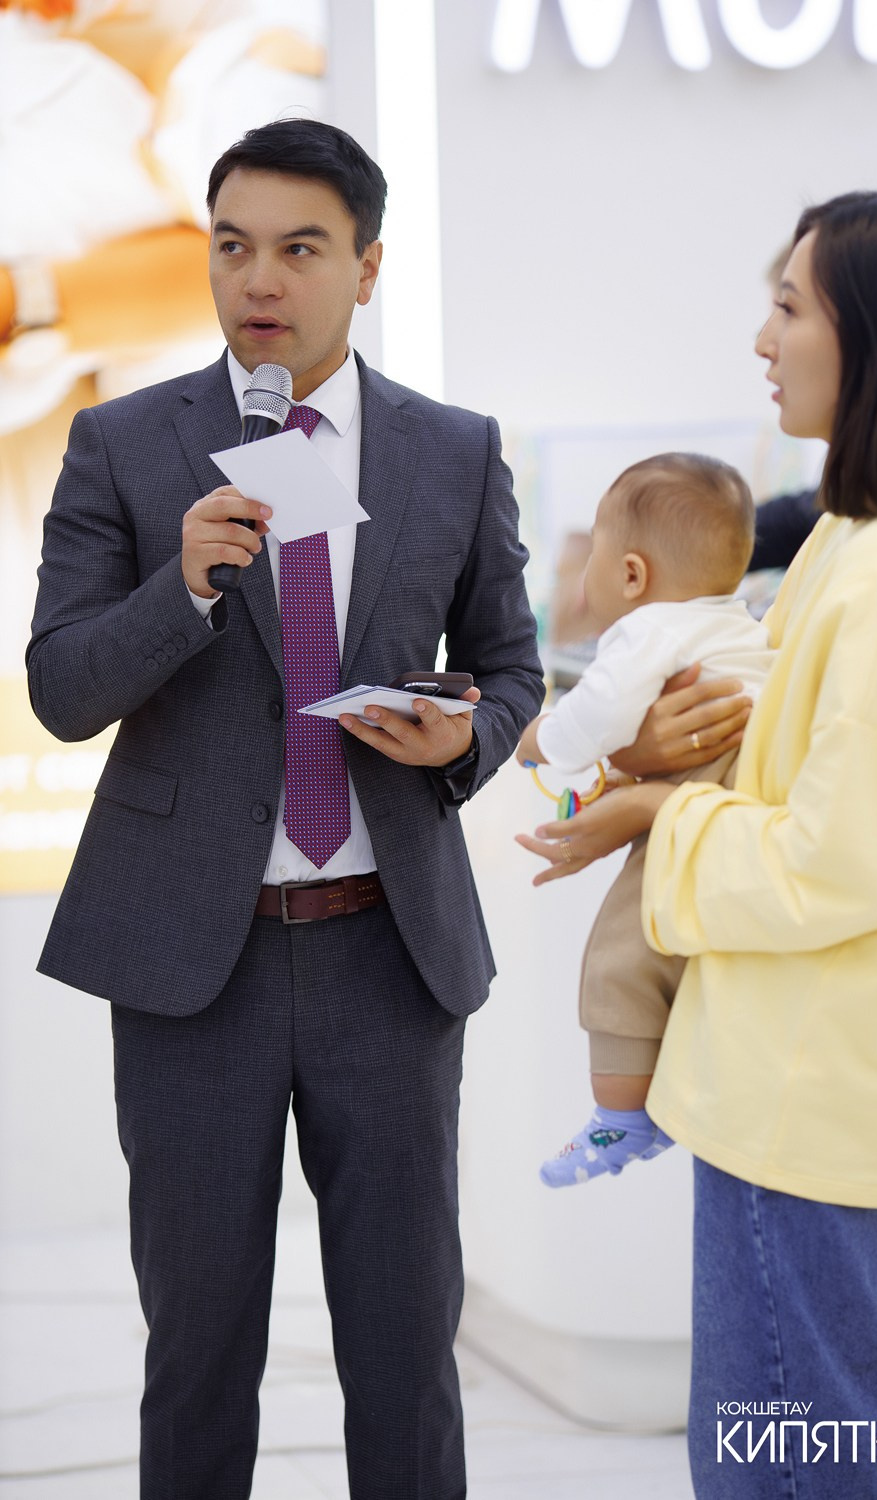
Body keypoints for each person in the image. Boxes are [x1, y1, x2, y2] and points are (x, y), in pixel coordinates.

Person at [26, 117, 547, 1500]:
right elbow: (62, 690)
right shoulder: (126, 447)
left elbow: (510, 666)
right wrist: (180, 588)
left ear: (366, 268)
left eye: (300, 248)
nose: (260, 278)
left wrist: (463, 736)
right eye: (234, 245)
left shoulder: (450, 449)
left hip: (392, 956)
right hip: (196, 970)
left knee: (403, 1355)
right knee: (196, 1354)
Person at [519, 190, 877, 1498]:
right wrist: (669, 763)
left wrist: (651, 815)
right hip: (814, 1083)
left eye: (790, 308)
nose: (762, 340)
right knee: (825, 1427)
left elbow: (835, 864)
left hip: (806, 1094)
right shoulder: (874, 540)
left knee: (795, 1457)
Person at [516, 452, 774, 1186]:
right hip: (737, 787)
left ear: (631, 574)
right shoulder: (737, 622)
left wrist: (537, 744)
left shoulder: (645, 631)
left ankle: (620, 1118)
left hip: (697, 785)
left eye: (591, 552)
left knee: (619, 948)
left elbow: (596, 714)